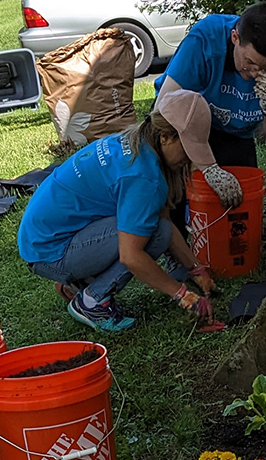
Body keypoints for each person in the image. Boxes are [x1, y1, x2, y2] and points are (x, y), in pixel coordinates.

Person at [17, 90, 218, 332]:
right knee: (152, 234)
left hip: (41, 239)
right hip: (51, 251)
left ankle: (80, 282)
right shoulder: (143, 178)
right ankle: (91, 301)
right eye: (187, 151)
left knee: (157, 227)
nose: (189, 160)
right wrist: (183, 295)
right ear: (166, 137)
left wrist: (197, 270)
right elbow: (131, 256)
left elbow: (164, 217)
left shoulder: (137, 142)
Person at [155, 2, 266, 210]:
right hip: (185, 122)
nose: (254, 73)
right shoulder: (206, 39)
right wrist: (207, 167)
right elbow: (164, 106)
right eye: (249, 62)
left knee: (238, 203)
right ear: (235, 38)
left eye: (265, 67)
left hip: (236, 133)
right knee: (174, 197)